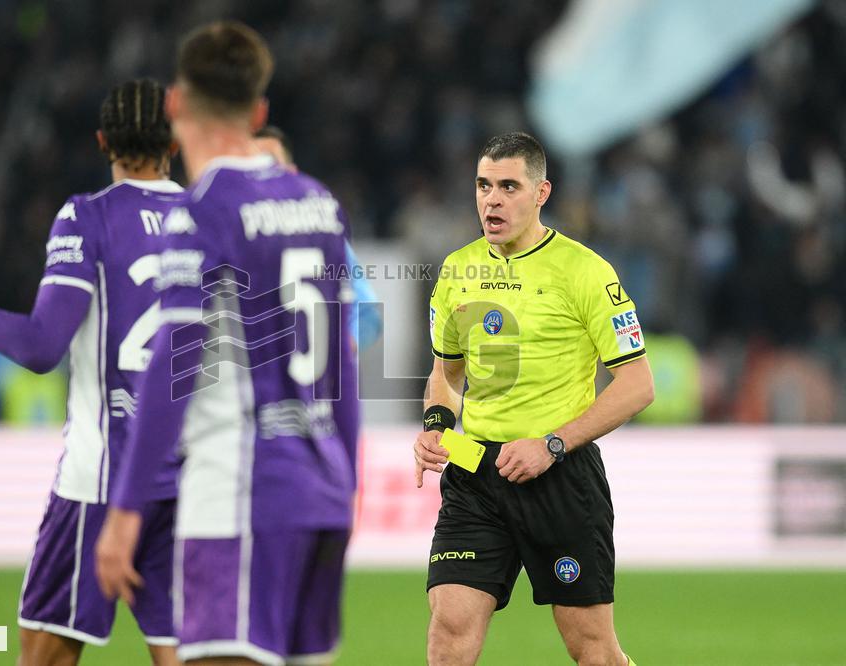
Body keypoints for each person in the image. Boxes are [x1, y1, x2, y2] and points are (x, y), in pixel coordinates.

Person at [95, 22, 359, 666]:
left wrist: (126, 509)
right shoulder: (318, 203)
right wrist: (345, 482)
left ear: (176, 105)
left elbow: (174, 366)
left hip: (241, 494)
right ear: (259, 110)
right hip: (320, 494)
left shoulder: (204, 209)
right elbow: (344, 365)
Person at [0, 79, 183, 666]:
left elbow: (40, 346)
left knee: (45, 657)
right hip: (189, 483)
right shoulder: (211, 224)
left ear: (103, 141)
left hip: (101, 482)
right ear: (173, 144)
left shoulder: (88, 218)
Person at [412, 132, 653, 666]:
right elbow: (446, 376)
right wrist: (435, 423)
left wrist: (552, 444)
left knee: (592, 649)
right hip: (475, 473)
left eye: (508, 186)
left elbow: (638, 384)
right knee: (450, 626)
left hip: (560, 477)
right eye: (482, 185)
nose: (491, 200)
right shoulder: (457, 270)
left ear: (541, 192)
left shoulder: (586, 271)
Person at [254, 125, 384, 352]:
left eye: (271, 163)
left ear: (292, 171)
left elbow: (366, 314)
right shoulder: (232, 232)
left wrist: (333, 360)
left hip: (312, 383)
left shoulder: (322, 232)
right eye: (255, 164)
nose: (264, 175)